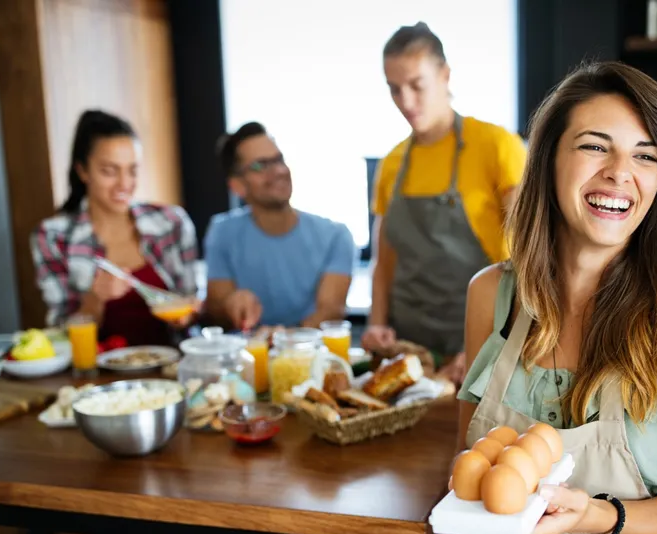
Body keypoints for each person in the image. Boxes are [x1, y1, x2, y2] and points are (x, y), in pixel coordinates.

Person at [458, 61, 657, 534]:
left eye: (645, 155)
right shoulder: (489, 296)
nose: (620, 172)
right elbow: (474, 464)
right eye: (594, 146)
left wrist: (593, 515)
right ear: (548, 161)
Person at [361, 22, 527, 385]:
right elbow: (383, 261)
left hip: (478, 346)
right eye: (394, 89)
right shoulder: (392, 164)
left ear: (445, 74)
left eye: (416, 85)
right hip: (408, 352)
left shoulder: (497, 147)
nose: (405, 101)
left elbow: (531, 257)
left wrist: (489, 343)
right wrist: (376, 324)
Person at [31, 110, 199, 346]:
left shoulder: (172, 222)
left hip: (172, 367)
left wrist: (187, 314)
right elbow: (61, 334)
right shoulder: (53, 237)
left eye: (132, 170)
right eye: (109, 171)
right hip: (99, 374)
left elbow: (193, 304)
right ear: (82, 171)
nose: (125, 184)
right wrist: (95, 299)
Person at [204, 122, 356, 331]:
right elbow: (216, 310)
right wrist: (231, 303)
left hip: (310, 357)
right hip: (245, 358)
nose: (278, 171)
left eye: (279, 159)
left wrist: (285, 340)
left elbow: (330, 312)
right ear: (238, 185)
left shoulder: (336, 236)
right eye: (260, 166)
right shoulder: (222, 233)